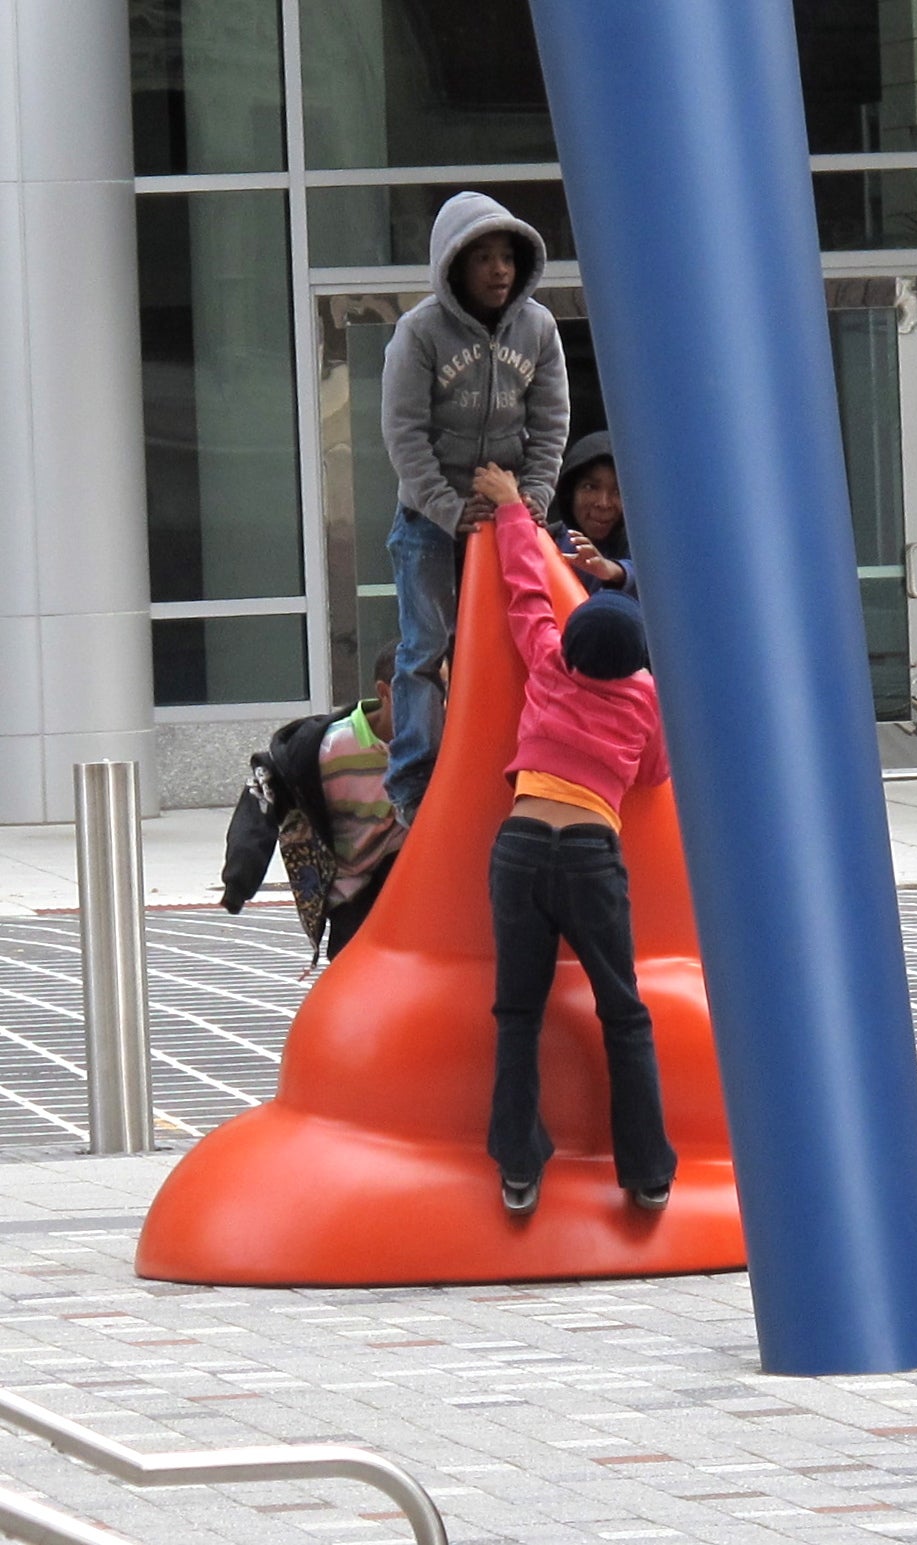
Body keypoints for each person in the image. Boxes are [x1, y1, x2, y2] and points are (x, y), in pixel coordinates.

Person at [472, 462, 676, 1218]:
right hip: (592, 855)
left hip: (520, 844)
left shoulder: (550, 664)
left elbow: (527, 587)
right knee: (623, 1011)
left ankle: (519, 1171)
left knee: (517, 1011)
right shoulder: (645, 700)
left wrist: (509, 510)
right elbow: (654, 775)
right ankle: (647, 1173)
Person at [381, 191, 571, 828]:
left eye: (508, 259)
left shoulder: (539, 329)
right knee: (424, 649)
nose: (499, 271)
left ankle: (511, 770)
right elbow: (403, 431)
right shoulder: (419, 333)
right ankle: (412, 787)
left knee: (511, 645)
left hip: (510, 514)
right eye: (484, 258)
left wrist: (535, 499)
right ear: (455, 265)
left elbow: (550, 423)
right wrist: (442, 506)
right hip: (430, 522)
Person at [219, 646, 407, 962]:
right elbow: (267, 789)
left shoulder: (439, 744)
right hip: (351, 889)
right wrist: (239, 880)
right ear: (384, 692)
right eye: (421, 692)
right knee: (353, 974)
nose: (438, 705)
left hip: (406, 881)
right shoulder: (331, 748)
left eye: (444, 693)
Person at [547, 430, 638, 597]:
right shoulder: (546, 541)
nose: (603, 503)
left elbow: (645, 575)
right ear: (570, 493)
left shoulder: (645, 548)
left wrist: (613, 571)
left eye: (618, 491)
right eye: (590, 487)